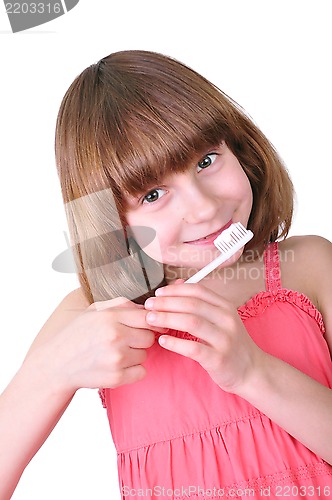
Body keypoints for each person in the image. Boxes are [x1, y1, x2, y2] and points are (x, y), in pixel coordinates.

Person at [0, 50, 331, 500]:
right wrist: (47, 375)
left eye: (207, 161)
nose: (204, 207)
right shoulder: (92, 314)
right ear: (109, 218)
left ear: (240, 147)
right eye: (153, 194)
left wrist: (253, 371)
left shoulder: (310, 266)